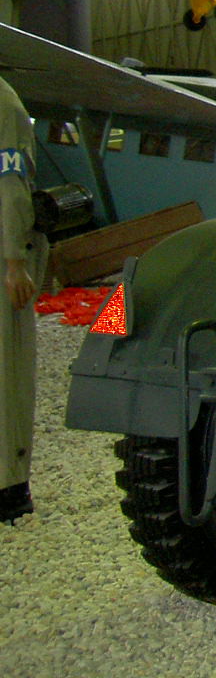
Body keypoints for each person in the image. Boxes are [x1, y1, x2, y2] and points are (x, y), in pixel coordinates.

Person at [1, 74, 44, 525]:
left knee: (7, 370)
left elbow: (9, 184)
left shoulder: (4, 105)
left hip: (2, 259)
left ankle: (10, 485)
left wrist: (14, 259)